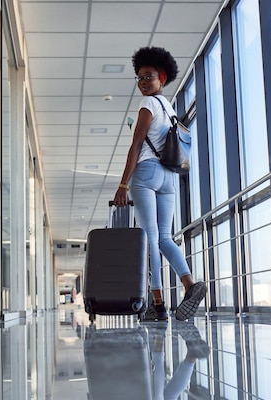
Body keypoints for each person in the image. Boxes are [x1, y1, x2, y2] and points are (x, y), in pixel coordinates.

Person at [113, 46, 206, 321]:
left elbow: (136, 144)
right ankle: (190, 284)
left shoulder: (147, 105)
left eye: (148, 77)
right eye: (139, 78)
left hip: (146, 173)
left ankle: (158, 304)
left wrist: (122, 185)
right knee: (165, 237)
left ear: (162, 78)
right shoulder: (170, 107)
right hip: (169, 176)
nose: (143, 82)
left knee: (150, 238)